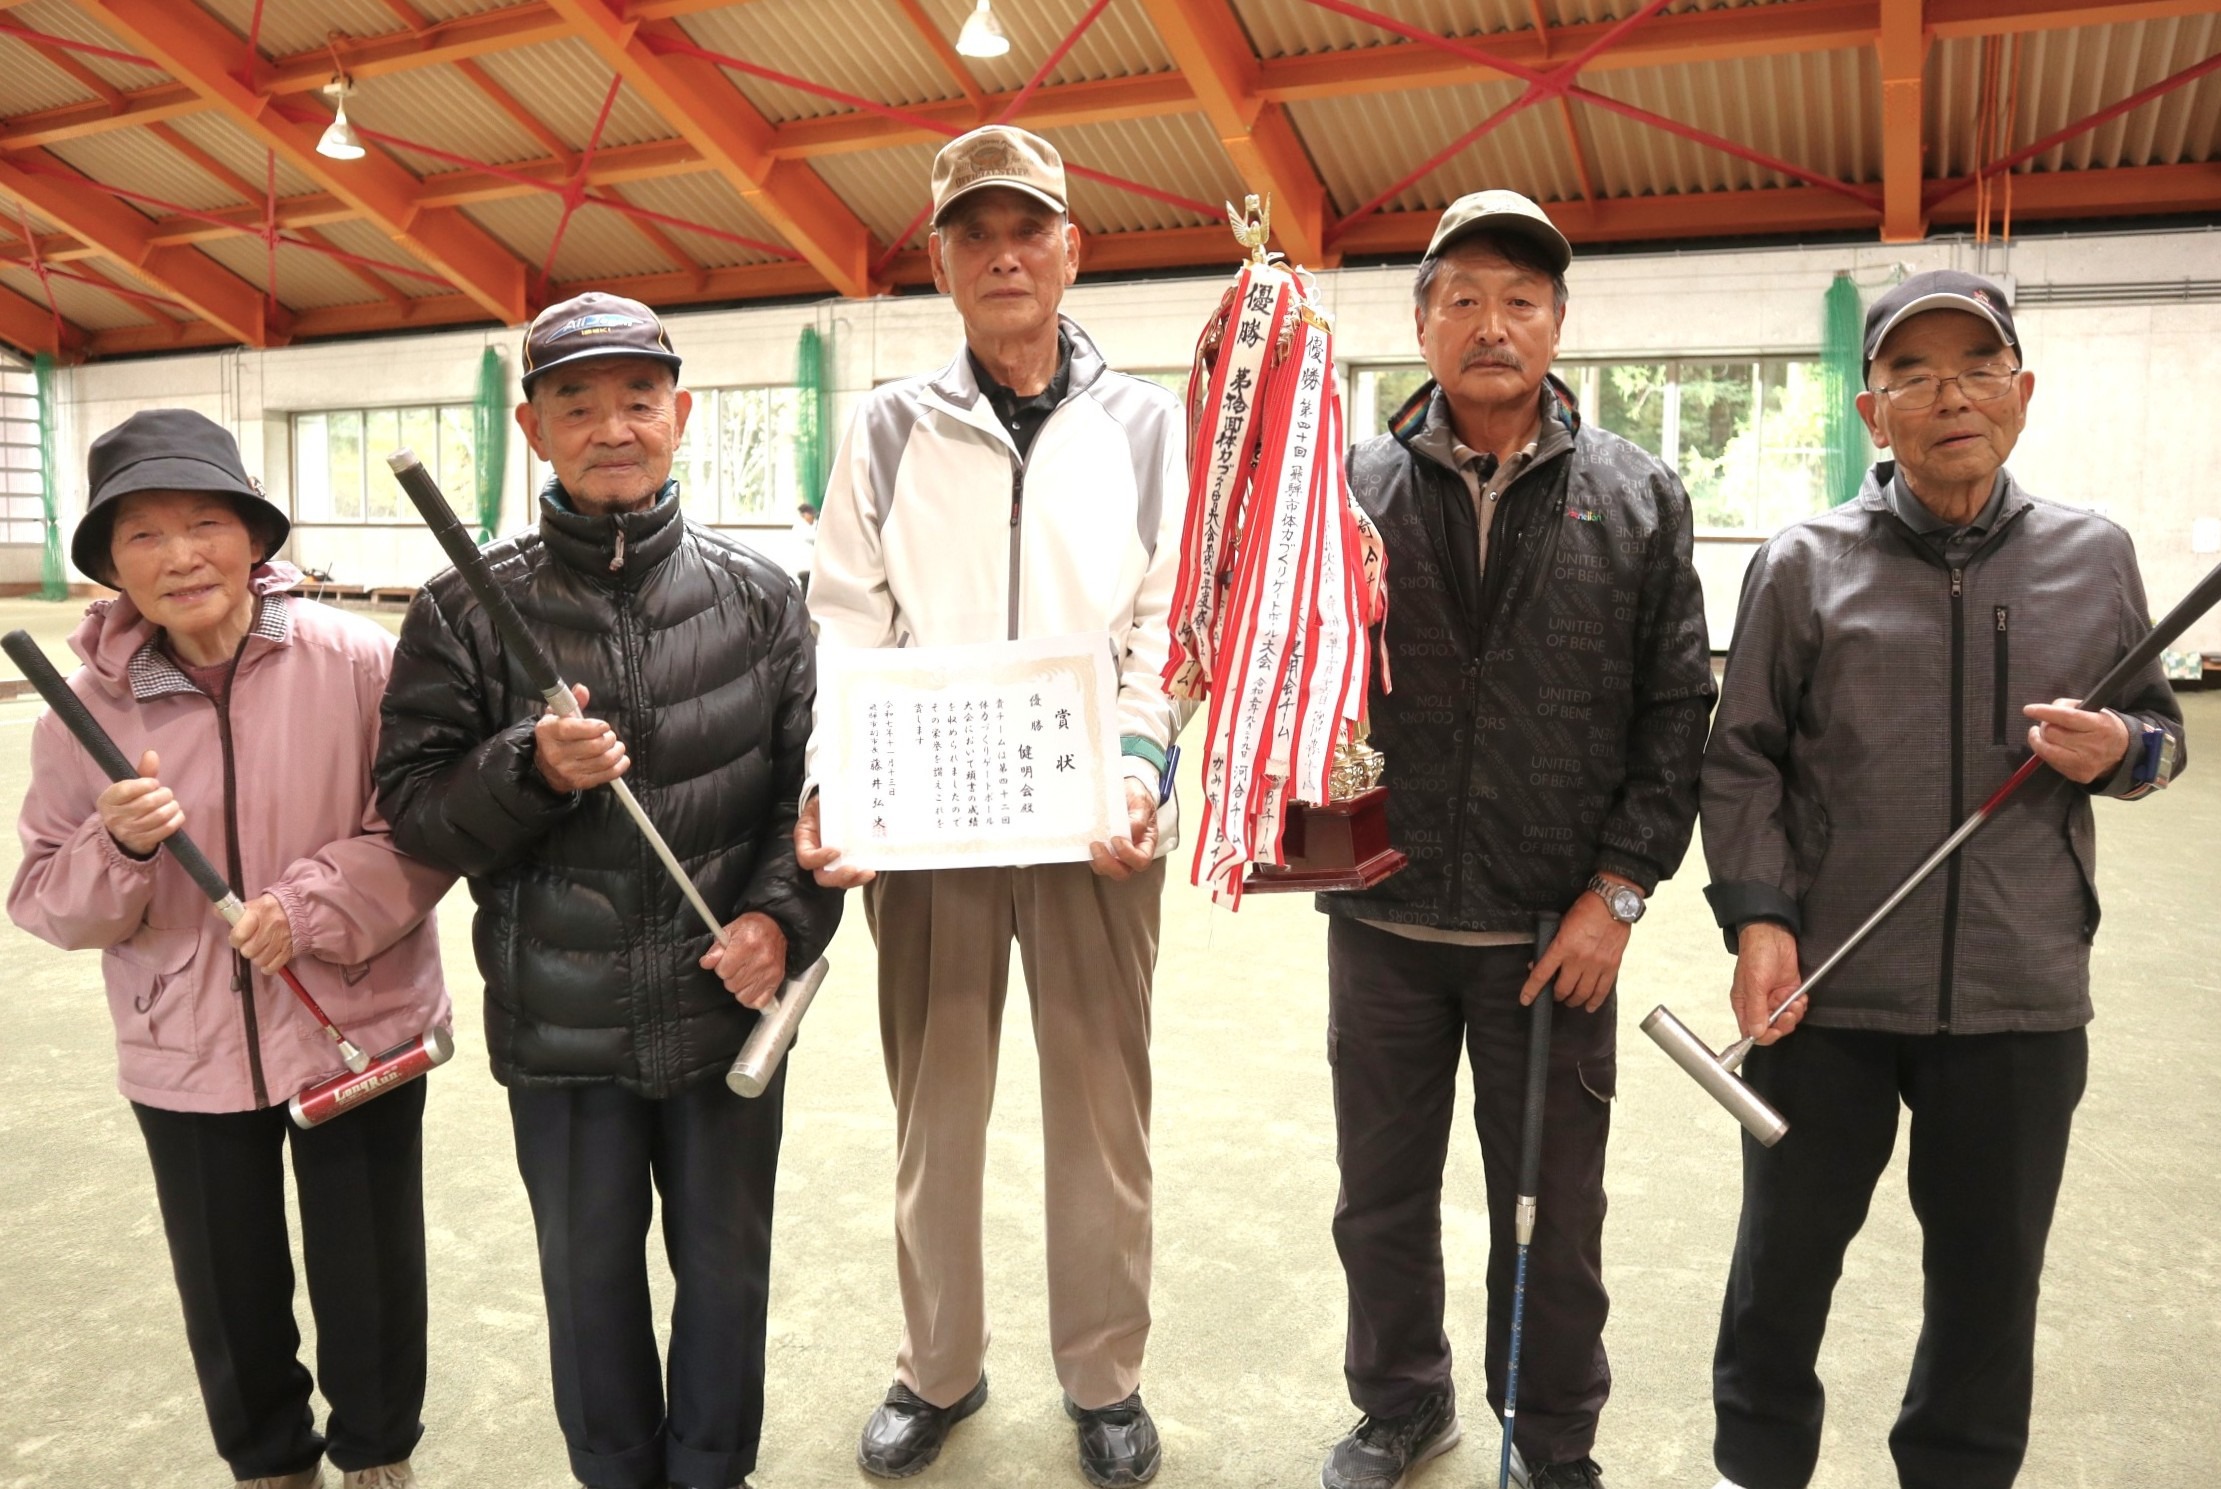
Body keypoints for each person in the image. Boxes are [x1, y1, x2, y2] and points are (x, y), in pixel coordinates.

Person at [1698, 270, 2186, 1489]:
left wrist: (2122, 751)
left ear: (2019, 392)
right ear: (1873, 411)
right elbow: (1739, 759)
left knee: (1986, 1291)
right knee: (1779, 1274)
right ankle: (1758, 1469)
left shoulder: (2094, 554)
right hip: (1828, 996)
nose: (1947, 394)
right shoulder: (1804, 562)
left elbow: (2160, 736)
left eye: (1975, 365)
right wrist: (1758, 922)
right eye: (1912, 372)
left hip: (2019, 996)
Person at [374, 293, 842, 1489]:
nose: (613, 427)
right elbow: (416, 810)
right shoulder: (462, 610)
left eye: (639, 400)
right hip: (559, 1027)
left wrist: (775, 923)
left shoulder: (760, 599)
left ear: (682, 417)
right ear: (533, 431)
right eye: (577, 404)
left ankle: (711, 1471)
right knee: (586, 1282)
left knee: (727, 1273)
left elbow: (817, 802)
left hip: (722, 1010)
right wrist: (526, 769)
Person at [796, 125, 1187, 1488]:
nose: (1005, 254)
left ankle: (1104, 1377)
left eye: (1030, 230)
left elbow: (1164, 627)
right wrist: (836, 778)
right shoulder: (889, 425)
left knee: (1101, 1117)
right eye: (976, 233)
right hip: (933, 827)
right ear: (942, 261)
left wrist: (1139, 769)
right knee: (935, 1115)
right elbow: (846, 619)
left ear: (1073, 250)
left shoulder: (1147, 425)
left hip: (1095, 831)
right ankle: (939, 1369)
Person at [1320, 191, 1714, 1489]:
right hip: (1382, 921)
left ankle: (1547, 1441)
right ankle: (1401, 1402)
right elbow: (1307, 681)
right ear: (1422, 320)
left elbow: (1676, 715)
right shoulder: (1351, 487)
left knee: (1555, 1215)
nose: (1494, 325)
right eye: (1465, 298)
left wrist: (1620, 892)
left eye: (1523, 300)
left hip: (1554, 935)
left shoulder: (1639, 496)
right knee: (1378, 1199)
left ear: (1558, 321)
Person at [9, 409, 452, 1489]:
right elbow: (42, 900)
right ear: (112, 565)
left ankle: (377, 1460)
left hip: (353, 1023)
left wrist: (305, 908)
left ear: (254, 538)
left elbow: (425, 832)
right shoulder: (81, 713)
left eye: (204, 522)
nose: (180, 555)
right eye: (144, 535)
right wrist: (115, 844)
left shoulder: (358, 662)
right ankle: (268, 1466)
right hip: (185, 1045)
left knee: (371, 1274)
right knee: (227, 1284)